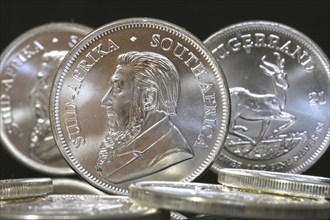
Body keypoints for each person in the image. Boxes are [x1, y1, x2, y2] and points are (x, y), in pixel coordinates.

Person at [96, 51, 193, 183]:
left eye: (117, 88)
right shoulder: (128, 143)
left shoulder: (171, 154)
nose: (104, 101)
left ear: (149, 98)